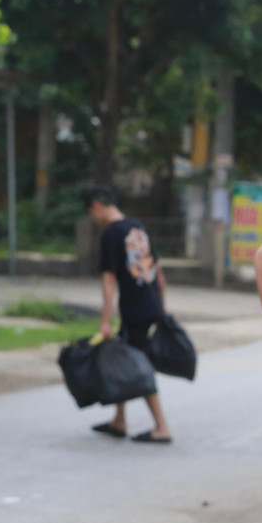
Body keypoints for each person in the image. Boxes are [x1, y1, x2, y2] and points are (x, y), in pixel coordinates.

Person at [84, 185, 172, 443]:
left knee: (137, 366)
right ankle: (119, 419)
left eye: (91, 212)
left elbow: (109, 281)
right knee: (125, 358)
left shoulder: (111, 234)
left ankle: (162, 426)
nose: (93, 218)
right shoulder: (137, 227)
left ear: (97, 206)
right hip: (151, 303)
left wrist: (104, 321)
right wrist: (162, 306)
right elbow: (158, 271)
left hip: (135, 308)